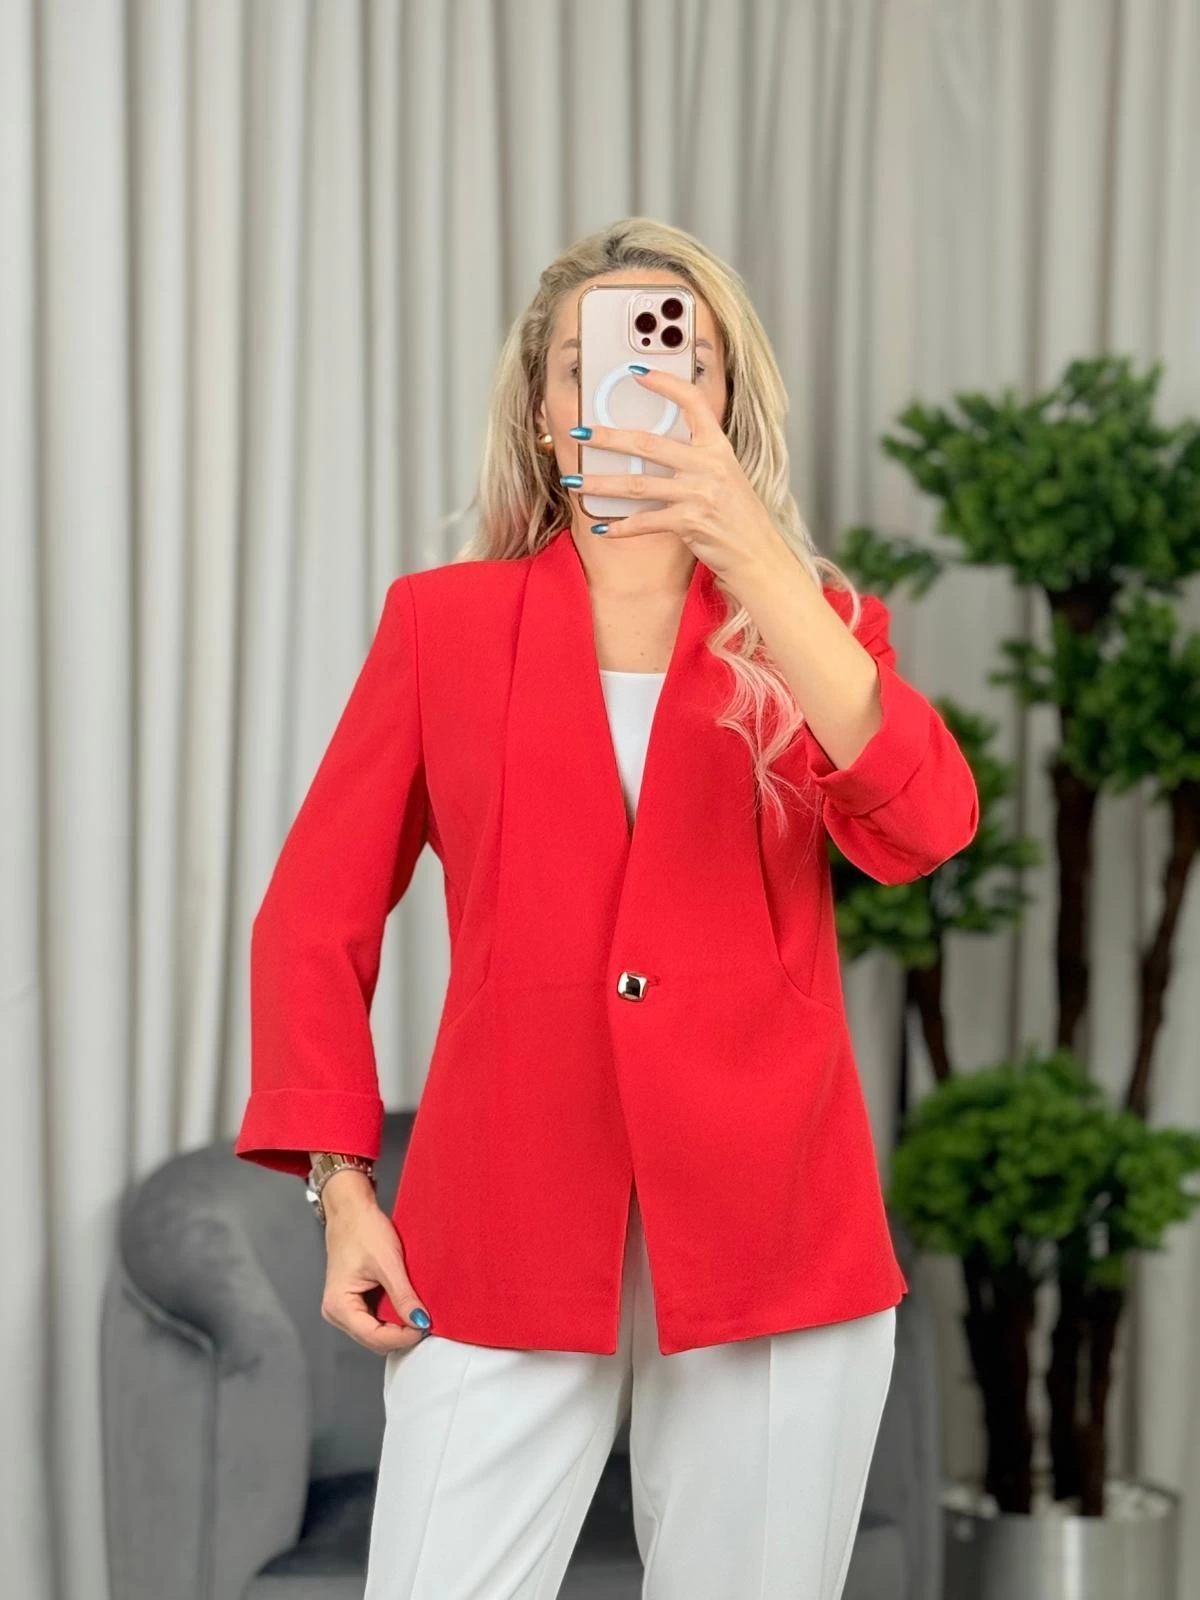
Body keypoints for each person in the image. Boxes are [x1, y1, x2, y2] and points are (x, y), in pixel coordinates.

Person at [234, 217, 980, 1598]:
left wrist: (755, 556)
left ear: (723, 402)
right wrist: (341, 1190)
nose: (632, 388)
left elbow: (926, 828)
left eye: (672, 361)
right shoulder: (442, 626)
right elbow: (309, 924)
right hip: (502, 1218)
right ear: (543, 408)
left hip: (775, 1228)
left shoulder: (815, 629)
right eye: (588, 364)